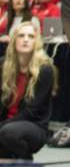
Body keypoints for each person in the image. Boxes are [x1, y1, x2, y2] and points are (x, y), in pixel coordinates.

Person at [0, 22, 56, 158]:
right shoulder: (3, 66)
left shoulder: (45, 70)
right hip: (5, 124)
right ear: (14, 41)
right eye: (21, 36)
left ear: (36, 42)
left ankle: (25, 158)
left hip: (33, 126)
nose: (25, 39)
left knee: (9, 132)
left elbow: (32, 111)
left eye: (31, 36)